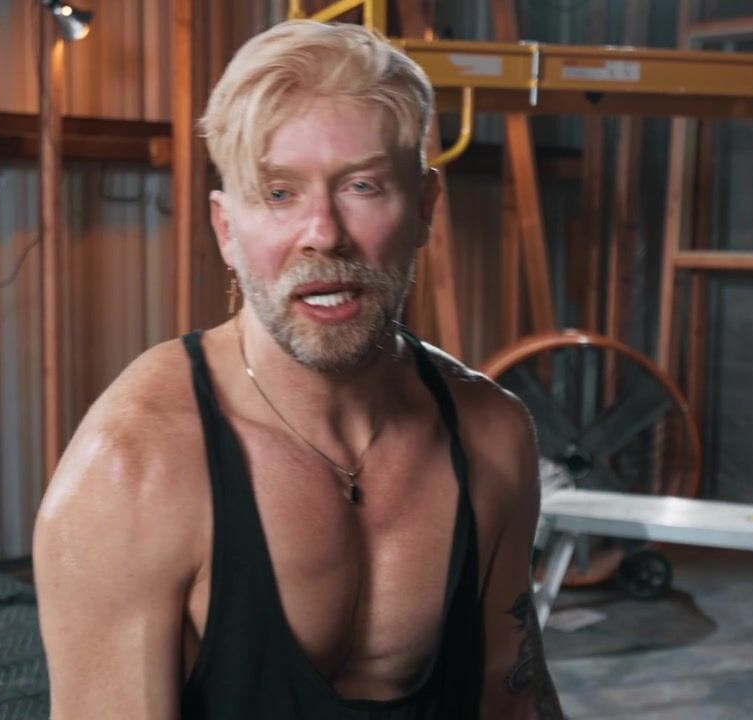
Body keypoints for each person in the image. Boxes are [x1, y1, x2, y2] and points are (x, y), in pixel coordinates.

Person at [33, 19, 565, 720]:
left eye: (363, 185)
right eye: (279, 194)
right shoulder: (134, 471)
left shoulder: (492, 434)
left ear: (425, 208)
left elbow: (512, 697)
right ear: (227, 230)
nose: (323, 233)